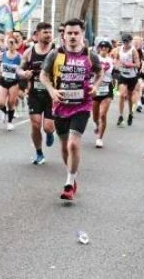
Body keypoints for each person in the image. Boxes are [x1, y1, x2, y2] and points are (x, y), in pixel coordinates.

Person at [40, 18, 103, 201]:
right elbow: (44, 75)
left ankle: (69, 182)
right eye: (69, 33)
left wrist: (96, 85)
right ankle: (71, 175)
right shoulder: (55, 54)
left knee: (73, 144)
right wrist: (51, 90)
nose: (73, 36)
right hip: (60, 105)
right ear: (64, 35)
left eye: (76, 33)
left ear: (82, 34)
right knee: (65, 146)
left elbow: (100, 72)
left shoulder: (90, 55)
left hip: (82, 105)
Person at [20, 21, 55, 165]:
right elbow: (19, 68)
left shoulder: (56, 51)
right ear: (37, 34)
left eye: (49, 32)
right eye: (45, 32)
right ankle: (39, 152)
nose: (48, 35)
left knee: (47, 127)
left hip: (51, 94)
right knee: (35, 125)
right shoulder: (29, 51)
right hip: (35, 93)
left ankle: (50, 133)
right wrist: (24, 73)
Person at [92, 39, 115, 148]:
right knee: (95, 116)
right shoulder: (94, 58)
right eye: (102, 47)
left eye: (106, 48)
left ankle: (99, 138)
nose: (104, 49)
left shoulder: (111, 61)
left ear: (109, 49)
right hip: (95, 88)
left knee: (103, 114)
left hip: (107, 88)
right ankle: (97, 124)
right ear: (99, 49)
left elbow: (114, 74)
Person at [0, 35, 22, 131]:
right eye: (9, 42)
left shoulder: (19, 57)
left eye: (13, 42)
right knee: (0, 103)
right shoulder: (2, 55)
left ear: (16, 44)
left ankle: (10, 122)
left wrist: (21, 72)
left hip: (14, 82)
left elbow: (22, 68)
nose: (11, 45)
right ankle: (5, 112)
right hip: (3, 81)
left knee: (11, 103)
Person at [115, 33, 140, 126]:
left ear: (130, 41)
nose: (125, 43)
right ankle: (121, 116)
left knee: (129, 97)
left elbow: (138, 64)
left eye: (127, 41)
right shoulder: (120, 49)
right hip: (123, 75)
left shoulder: (133, 51)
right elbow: (116, 59)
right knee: (121, 95)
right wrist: (117, 65)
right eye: (124, 41)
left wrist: (129, 65)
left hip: (132, 77)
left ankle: (130, 113)